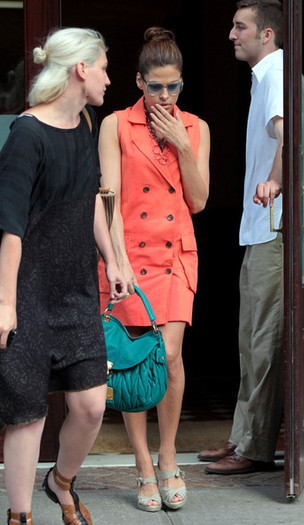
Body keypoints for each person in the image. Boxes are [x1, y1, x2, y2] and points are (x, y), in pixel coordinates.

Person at [0, 27, 128, 525]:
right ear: (81, 70)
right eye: (104, 67)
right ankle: (21, 516)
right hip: (28, 291)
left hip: (76, 289)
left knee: (92, 405)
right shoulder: (26, 135)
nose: (108, 78)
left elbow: (90, 198)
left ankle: (61, 482)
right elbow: (9, 228)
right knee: (27, 414)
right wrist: (6, 305)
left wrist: (113, 260)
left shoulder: (86, 122)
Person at [98, 27, 210, 511]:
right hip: (128, 257)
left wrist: (181, 146)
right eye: (156, 86)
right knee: (133, 358)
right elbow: (109, 198)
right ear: (139, 82)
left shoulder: (197, 127)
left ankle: (168, 457)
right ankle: (143, 465)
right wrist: (115, 259)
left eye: (174, 86)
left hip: (175, 256)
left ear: (181, 84)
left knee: (168, 355)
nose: (166, 96)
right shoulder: (115, 125)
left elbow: (200, 201)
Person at [198, 0, 284, 475]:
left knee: (263, 338)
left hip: (274, 226)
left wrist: (274, 182)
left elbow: (286, 136)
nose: (232, 34)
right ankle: (241, 438)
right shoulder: (265, 75)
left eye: (240, 27)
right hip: (259, 227)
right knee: (250, 339)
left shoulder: (276, 73)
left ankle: (254, 449)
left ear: (266, 33)